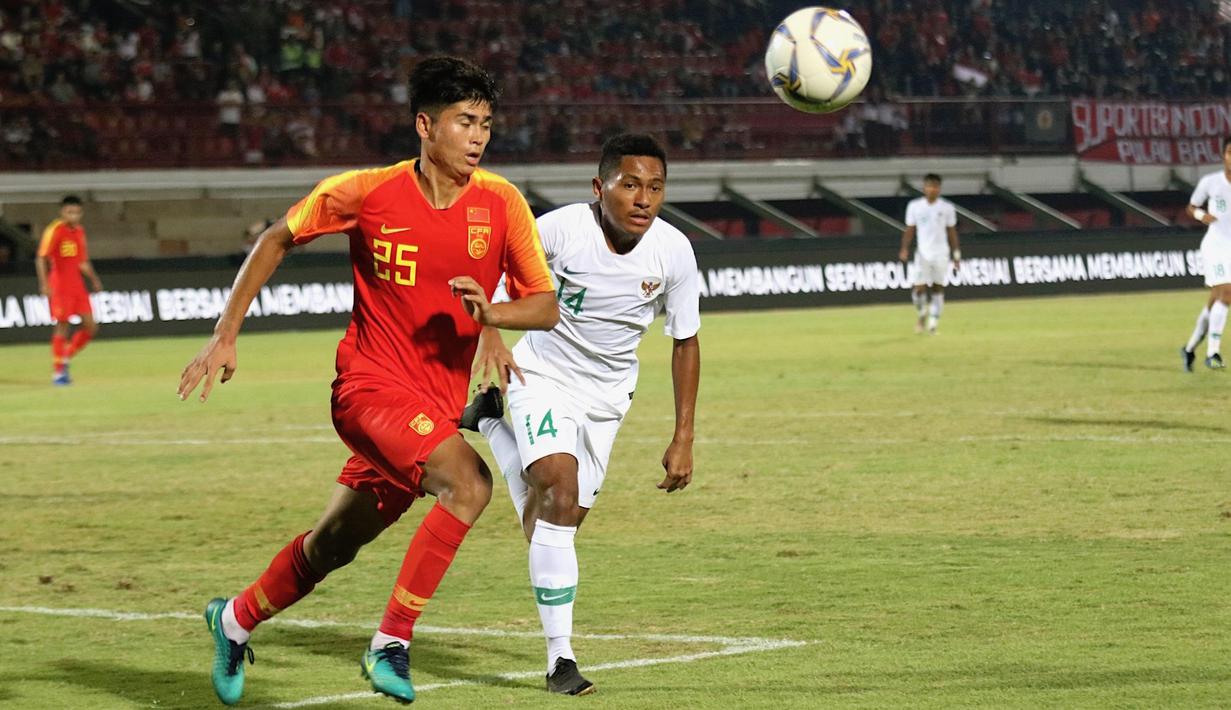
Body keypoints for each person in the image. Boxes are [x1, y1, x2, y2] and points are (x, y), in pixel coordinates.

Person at [176, 56, 558, 706]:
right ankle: (390, 643)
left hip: (430, 413)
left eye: (486, 124)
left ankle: (234, 620)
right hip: (367, 390)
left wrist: (493, 316)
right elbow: (275, 239)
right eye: (465, 122)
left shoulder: (501, 204)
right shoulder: (366, 192)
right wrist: (225, 332)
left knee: (331, 546)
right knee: (469, 483)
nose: (478, 137)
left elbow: (544, 305)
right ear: (425, 126)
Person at [461, 133, 701, 696]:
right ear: (599, 186)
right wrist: (491, 329)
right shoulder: (559, 230)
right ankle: (560, 660)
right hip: (541, 375)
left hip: (608, 398)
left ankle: (490, 421)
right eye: (630, 185)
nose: (644, 199)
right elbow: (494, 278)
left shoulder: (674, 251)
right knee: (558, 491)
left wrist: (684, 436)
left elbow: (685, 341)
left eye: (656, 187)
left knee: (552, 524)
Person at [36, 195, 102, 385]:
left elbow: (82, 261)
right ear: (62, 212)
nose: (73, 216)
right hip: (60, 285)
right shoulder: (55, 230)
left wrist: (94, 279)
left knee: (91, 326)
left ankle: (64, 357)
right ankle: (58, 373)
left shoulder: (79, 231)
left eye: (77, 212)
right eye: (69, 212)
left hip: (77, 286)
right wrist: (44, 284)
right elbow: (41, 258)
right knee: (62, 326)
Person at [1180, 138, 1231, 371]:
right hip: (1216, 246)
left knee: (1215, 301)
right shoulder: (1211, 182)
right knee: (1227, 293)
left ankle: (1189, 348)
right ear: (1223, 155)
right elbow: (1191, 207)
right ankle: (1213, 353)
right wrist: (1202, 216)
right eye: (1230, 152)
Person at [899, 173, 959, 334]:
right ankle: (922, 313)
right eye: (929, 186)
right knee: (919, 289)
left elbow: (952, 232)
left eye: (935, 186)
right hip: (922, 254)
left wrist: (956, 255)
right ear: (924, 188)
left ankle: (933, 323)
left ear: (939, 188)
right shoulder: (914, 206)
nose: (932, 189)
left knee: (937, 287)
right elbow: (910, 229)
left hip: (941, 253)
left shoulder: (947, 208)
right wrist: (904, 248)